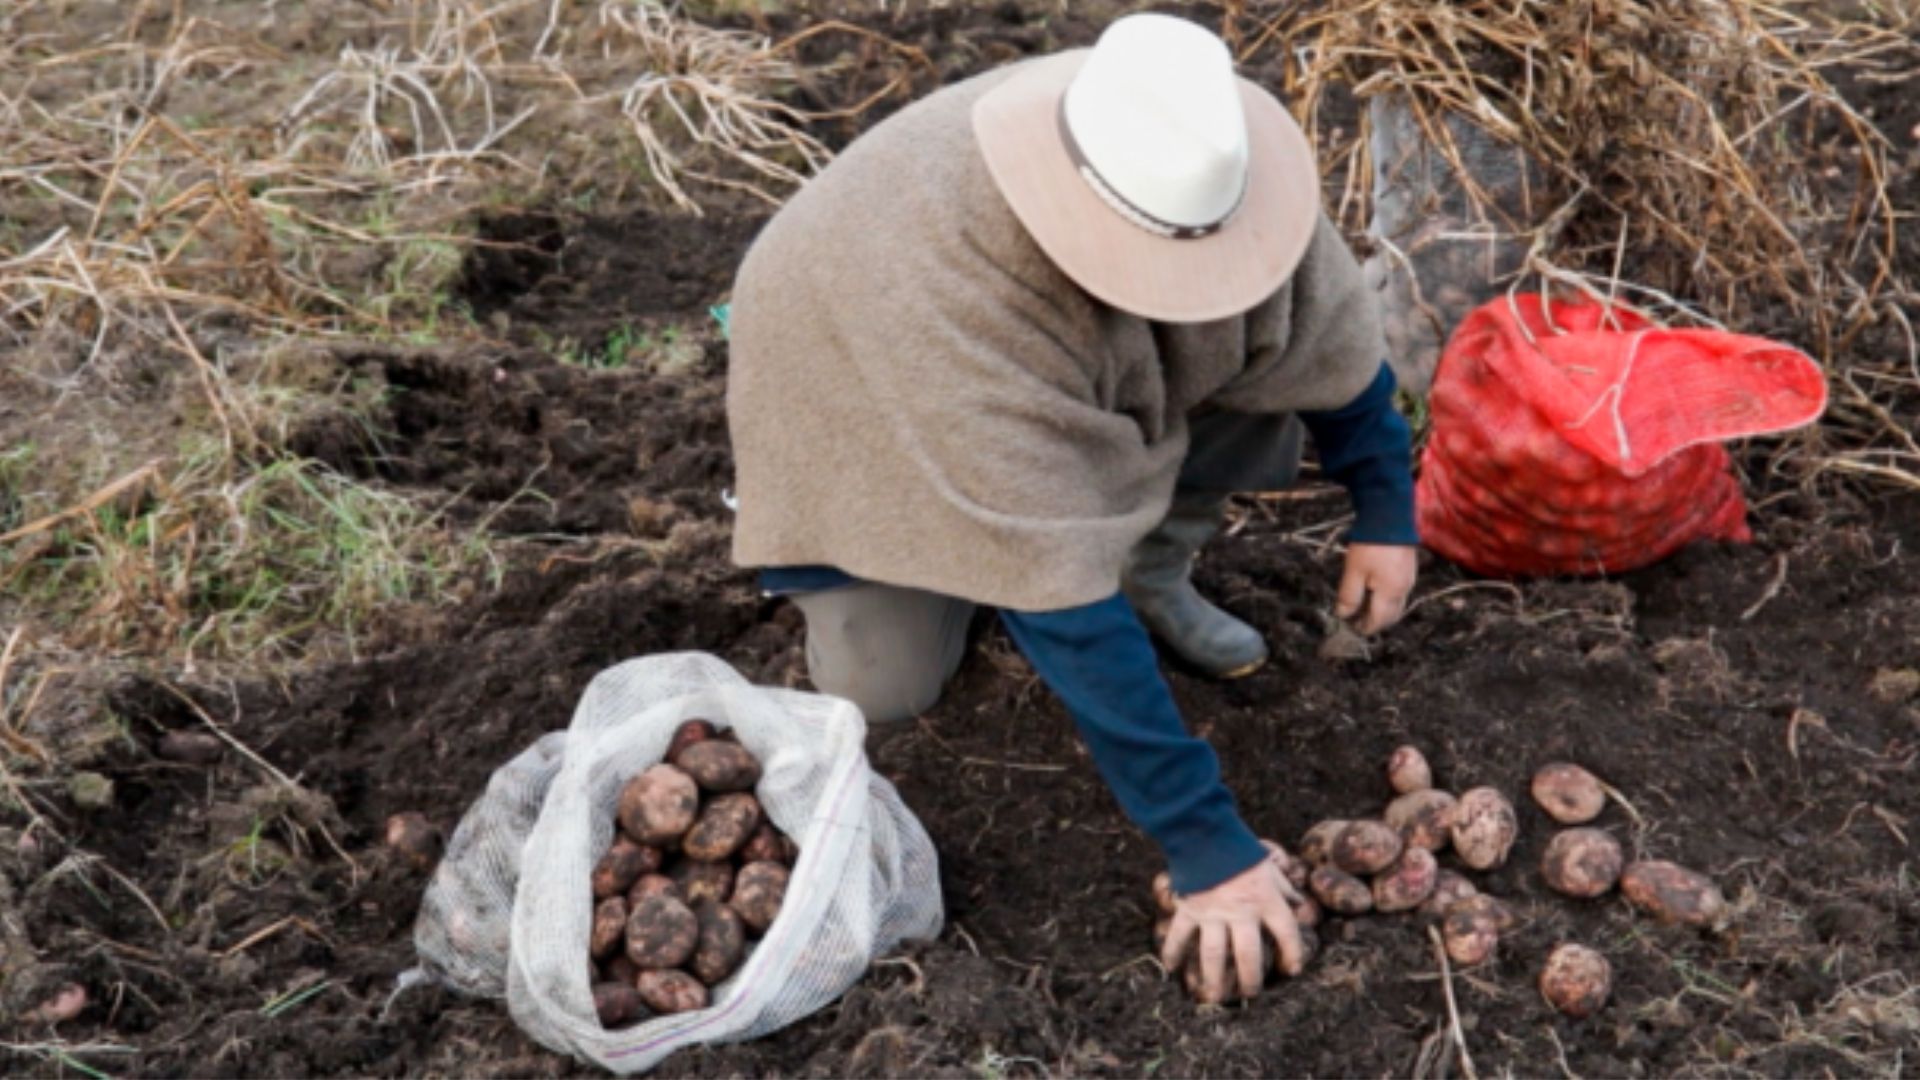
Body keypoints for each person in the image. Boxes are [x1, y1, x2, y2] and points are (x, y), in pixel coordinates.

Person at [724, 14, 1418, 1003]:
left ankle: (1149, 572)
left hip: (1025, 407)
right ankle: (929, 563)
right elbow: (1058, 598)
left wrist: (1386, 511)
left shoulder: (1208, 158)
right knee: (889, 686)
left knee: (1244, 380)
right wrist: (1205, 844)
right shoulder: (956, 299)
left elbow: (1334, 344)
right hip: (854, 370)